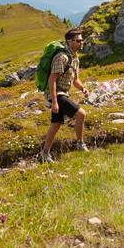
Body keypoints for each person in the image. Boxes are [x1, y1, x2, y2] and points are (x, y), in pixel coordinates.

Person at [40, 28, 89, 163]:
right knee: (81, 114)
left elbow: (75, 80)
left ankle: (44, 154)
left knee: (56, 124)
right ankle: (80, 144)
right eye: (78, 40)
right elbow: (52, 79)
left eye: (81, 40)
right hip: (57, 94)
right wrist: (54, 101)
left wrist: (83, 88)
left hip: (63, 94)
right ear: (70, 41)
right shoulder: (62, 57)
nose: (81, 42)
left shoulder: (75, 58)